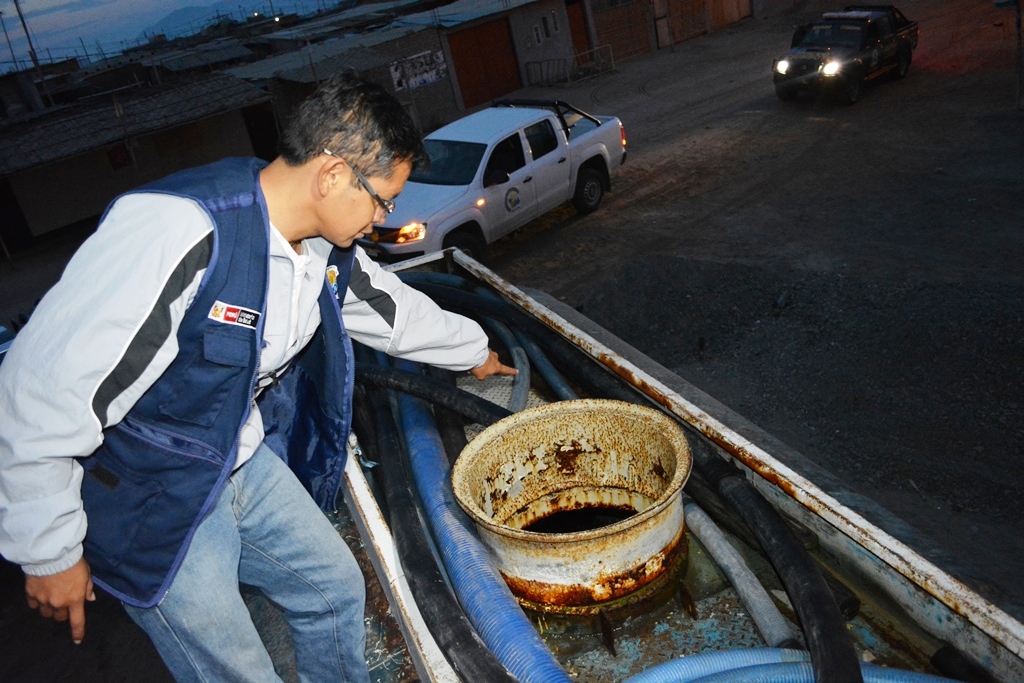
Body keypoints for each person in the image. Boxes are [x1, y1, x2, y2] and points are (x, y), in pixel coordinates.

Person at [0, 73, 515, 682]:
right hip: (153, 495)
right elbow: (37, 390)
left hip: (240, 465)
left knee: (333, 590)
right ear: (331, 175)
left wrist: (474, 353)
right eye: (383, 200)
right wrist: (48, 552)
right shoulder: (180, 233)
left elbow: (391, 310)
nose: (382, 219)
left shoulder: (322, 247)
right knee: (242, 672)